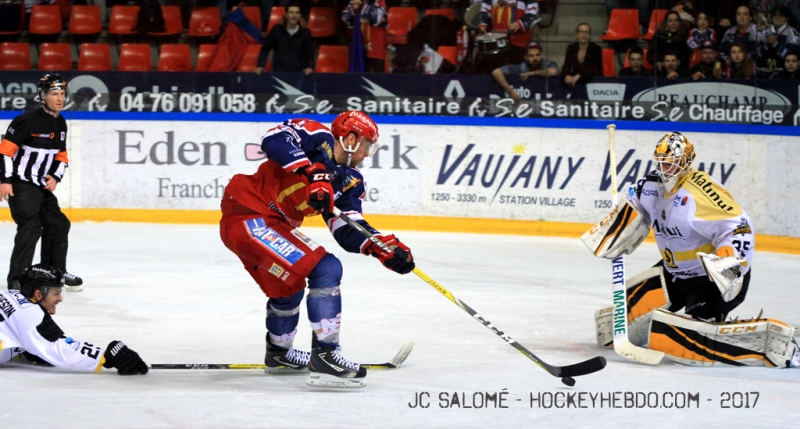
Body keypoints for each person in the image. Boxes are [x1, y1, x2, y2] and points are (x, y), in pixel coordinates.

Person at [219, 111, 415, 388]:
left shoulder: (350, 181)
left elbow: (346, 228)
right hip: (249, 214)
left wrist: (379, 245)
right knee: (326, 268)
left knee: (288, 288)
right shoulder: (316, 136)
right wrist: (313, 171)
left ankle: (280, 354)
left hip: (272, 226)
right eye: (367, 145)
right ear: (350, 138)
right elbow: (272, 139)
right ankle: (326, 355)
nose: (368, 154)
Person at [585, 133, 800, 368]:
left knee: (680, 339)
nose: (664, 168)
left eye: (670, 163)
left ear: (685, 162)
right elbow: (635, 206)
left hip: (709, 281)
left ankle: (776, 346)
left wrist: (729, 265)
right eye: (661, 162)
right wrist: (619, 229)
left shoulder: (700, 193)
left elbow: (739, 226)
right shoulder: (649, 186)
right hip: (671, 274)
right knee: (611, 329)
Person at [0, 74, 82, 292]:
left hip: (40, 185)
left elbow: (62, 156)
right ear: (43, 96)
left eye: (62, 94)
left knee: (59, 223)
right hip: (20, 183)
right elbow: (5, 152)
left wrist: (55, 177)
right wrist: (5, 180)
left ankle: (54, 272)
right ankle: (17, 279)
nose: (60, 98)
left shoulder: (60, 122)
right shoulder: (27, 120)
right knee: (31, 226)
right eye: (55, 94)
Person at [0, 264, 149, 375]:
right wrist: (105, 356)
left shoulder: (10, 295)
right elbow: (59, 347)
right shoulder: (30, 313)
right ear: (39, 294)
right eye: (56, 293)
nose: (60, 298)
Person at [255, 1, 314, 75]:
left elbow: (310, 53)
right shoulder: (277, 30)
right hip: (279, 73)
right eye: (291, 12)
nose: (294, 15)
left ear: (300, 15)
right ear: (286, 15)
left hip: (298, 74)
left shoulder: (305, 33)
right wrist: (260, 65)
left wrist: (310, 67)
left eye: (297, 13)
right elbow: (265, 49)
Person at [476, 0, 540, 64]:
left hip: (518, 40)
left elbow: (533, 10)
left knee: (517, 66)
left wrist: (520, 23)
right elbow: (485, 9)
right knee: (496, 66)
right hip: (496, 39)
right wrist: (483, 22)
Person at [491, 42, 558, 101]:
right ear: (526, 57)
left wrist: (533, 73)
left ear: (541, 55)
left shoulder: (548, 63)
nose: (535, 58)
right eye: (531, 56)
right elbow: (496, 72)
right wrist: (510, 91)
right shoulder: (522, 67)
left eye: (537, 55)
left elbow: (553, 72)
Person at [341, 0, 388, 73]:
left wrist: (363, 6)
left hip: (376, 40)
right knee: (361, 68)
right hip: (359, 39)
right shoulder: (355, 1)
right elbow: (345, 18)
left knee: (378, 69)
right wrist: (353, 8)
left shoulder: (379, 1)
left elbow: (378, 20)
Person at [560, 23, 603, 99]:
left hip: (592, 81)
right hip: (576, 82)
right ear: (577, 34)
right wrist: (567, 75)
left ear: (590, 35)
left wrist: (579, 75)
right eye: (581, 32)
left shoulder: (596, 49)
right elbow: (566, 65)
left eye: (586, 32)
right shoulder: (571, 48)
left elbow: (596, 69)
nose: (584, 34)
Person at [757, 6, 800, 72]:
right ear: (771, 18)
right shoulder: (765, 32)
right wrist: (765, 46)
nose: (778, 17)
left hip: (785, 72)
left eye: (781, 15)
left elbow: (793, 58)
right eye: (775, 15)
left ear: (786, 18)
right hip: (765, 70)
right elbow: (757, 54)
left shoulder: (792, 33)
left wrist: (776, 45)